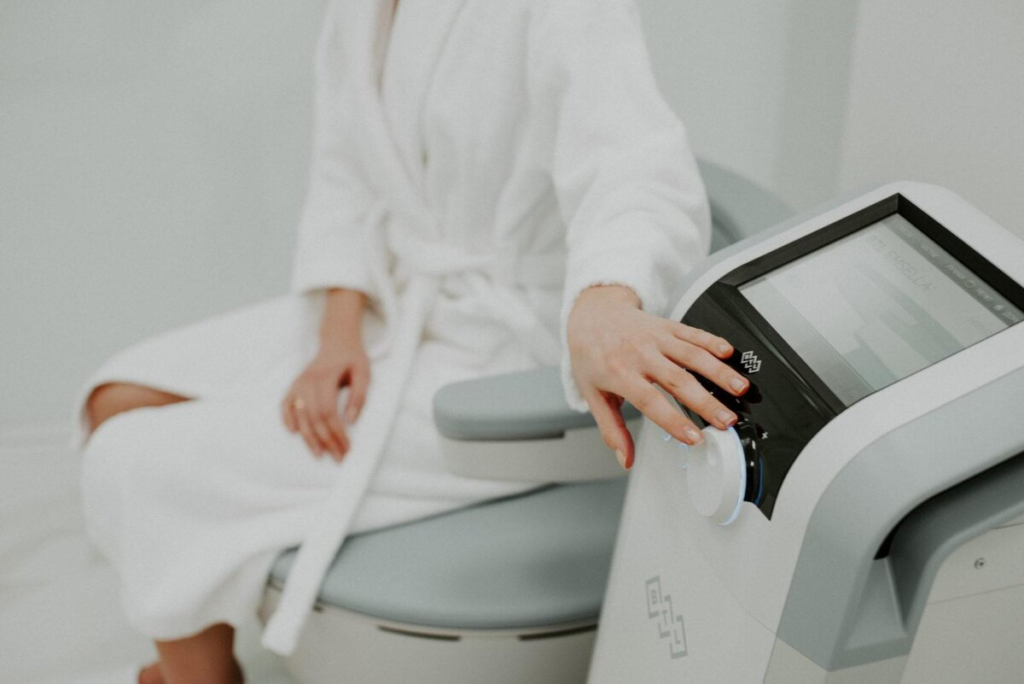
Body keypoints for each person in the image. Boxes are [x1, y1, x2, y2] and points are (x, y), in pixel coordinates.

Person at [77, 0, 751, 682]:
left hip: (503, 345)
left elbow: (635, 164)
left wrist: (605, 296)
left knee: (131, 462)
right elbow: (346, 170)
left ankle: (202, 676)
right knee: (112, 397)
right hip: (394, 298)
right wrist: (339, 329)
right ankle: (204, 632)